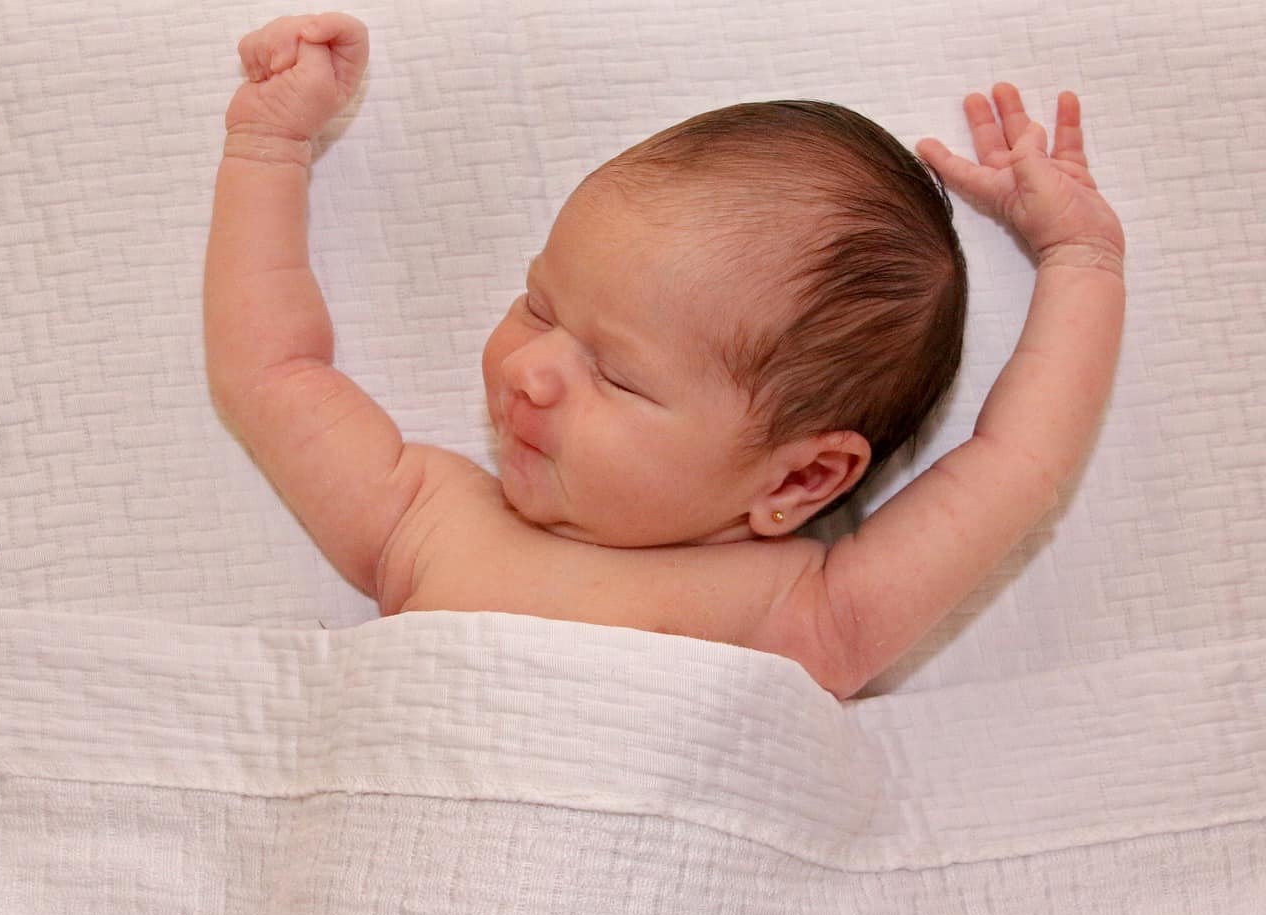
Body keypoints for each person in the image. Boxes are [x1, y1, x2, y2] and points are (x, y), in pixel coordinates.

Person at [204, 13, 1125, 700]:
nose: (530, 371)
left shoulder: (805, 611)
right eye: (538, 305)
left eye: (616, 374)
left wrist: (1081, 259)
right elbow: (274, 372)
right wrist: (269, 145)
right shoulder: (424, 514)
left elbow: (1018, 463)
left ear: (801, 479)